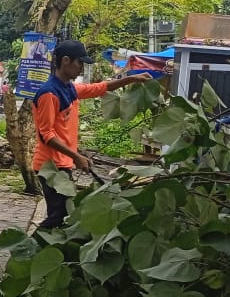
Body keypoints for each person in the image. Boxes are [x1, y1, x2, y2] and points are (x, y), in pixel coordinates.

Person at [32, 40, 150, 230]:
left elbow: (99, 88)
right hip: (50, 166)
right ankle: (28, 249)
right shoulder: (49, 94)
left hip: (63, 163)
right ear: (65, 61)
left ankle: (45, 250)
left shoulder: (69, 88)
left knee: (62, 214)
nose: (81, 68)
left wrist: (130, 79)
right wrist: (76, 156)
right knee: (59, 215)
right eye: (79, 63)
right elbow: (46, 134)